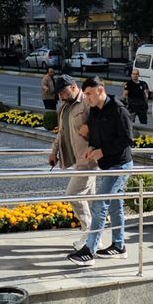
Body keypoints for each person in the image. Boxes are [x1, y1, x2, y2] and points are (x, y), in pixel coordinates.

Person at [67, 77, 134, 267]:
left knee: (100, 204)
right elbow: (95, 135)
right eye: (85, 94)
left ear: (100, 90)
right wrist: (93, 147)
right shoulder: (95, 111)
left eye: (89, 93)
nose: (86, 97)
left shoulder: (119, 110)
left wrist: (102, 151)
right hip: (108, 164)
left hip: (120, 165)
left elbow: (127, 140)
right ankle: (119, 246)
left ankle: (90, 250)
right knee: (115, 205)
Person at [49, 75, 99, 250]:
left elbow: (100, 125)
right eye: (59, 94)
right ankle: (94, 238)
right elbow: (61, 133)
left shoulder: (86, 101)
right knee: (91, 200)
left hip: (89, 160)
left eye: (63, 92)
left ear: (73, 86)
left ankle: (89, 237)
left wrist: (92, 138)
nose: (61, 96)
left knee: (73, 194)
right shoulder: (64, 107)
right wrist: (54, 152)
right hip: (77, 160)